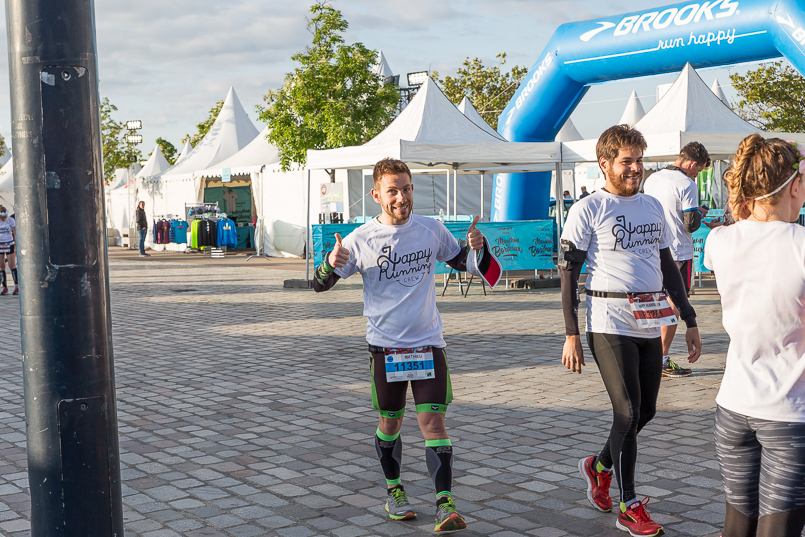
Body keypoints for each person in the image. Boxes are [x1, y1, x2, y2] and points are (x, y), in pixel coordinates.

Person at [313, 157, 494, 533]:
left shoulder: (431, 230)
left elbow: (466, 263)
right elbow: (319, 285)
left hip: (428, 344)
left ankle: (445, 502)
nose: (401, 197)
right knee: (390, 423)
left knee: (433, 420)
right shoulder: (360, 239)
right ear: (377, 194)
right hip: (386, 349)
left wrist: (478, 246)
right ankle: (394, 490)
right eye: (392, 191)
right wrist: (329, 264)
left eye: (407, 189)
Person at [560, 125, 701, 536]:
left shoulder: (653, 207)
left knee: (648, 410)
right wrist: (571, 333)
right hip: (607, 322)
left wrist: (689, 318)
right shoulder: (588, 209)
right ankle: (629, 503)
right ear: (604, 164)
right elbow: (568, 274)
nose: (635, 169)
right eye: (627, 162)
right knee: (628, 411)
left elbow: (668, 268)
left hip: (649, 319)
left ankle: (599, 465)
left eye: (639, 160)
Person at [704, 135, 805, 537]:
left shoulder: (720, 241)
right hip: (788, 412)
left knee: (737, 524)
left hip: (732, 408)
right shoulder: (800, 245)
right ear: (794, 185)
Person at [642, 142, 710, 378]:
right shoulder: (686, 183)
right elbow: (690, 224)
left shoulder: (651, 179)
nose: (696, 174)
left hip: (653, 250)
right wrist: (701, 211)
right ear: (692, 164)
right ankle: (662, 358)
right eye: (698, 170)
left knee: (655, 303)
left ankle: (651, 356)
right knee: (674, 306)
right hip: (679, 252)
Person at [0, 206, 18, 295]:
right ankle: (4, 287)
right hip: (0, 244)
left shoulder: (11, 220)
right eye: (1, 217)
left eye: (4, 217)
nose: (3, 219)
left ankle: (16, 286)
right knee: (1, 266)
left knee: (12, 265)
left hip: (9, 243)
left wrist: (15, 245)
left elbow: (15, 233)